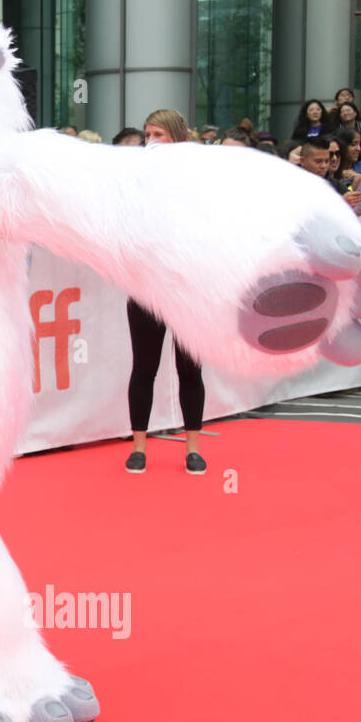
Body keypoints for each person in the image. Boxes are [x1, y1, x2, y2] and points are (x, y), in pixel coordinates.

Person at [126, 109, 206, 475]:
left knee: (190, 368)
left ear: (176, 137)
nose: (151, 141)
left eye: (159, 134)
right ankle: (138, 446)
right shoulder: (136, 182)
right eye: (147, 134)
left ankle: (193, 448)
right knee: (144, 368)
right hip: (146, 287)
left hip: (188, 289)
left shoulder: (198, 182)